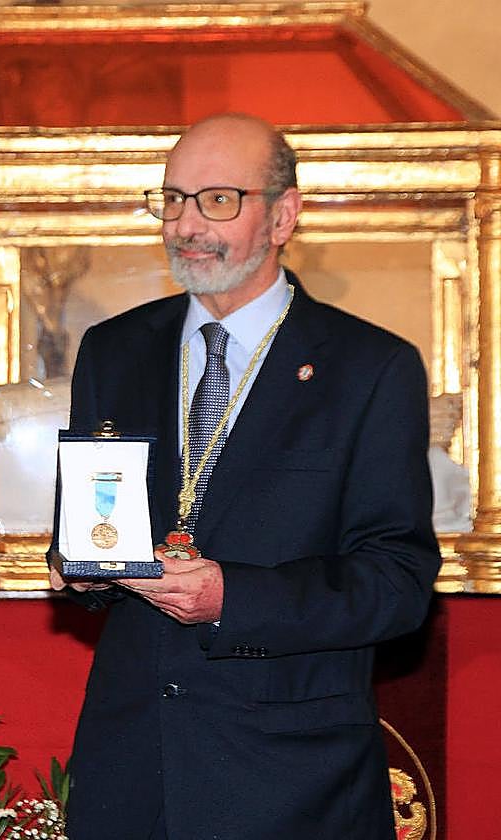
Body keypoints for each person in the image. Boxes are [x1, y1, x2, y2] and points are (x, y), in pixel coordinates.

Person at [50, 114, 439, 839]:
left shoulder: (370, 368)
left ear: (284, 214)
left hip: (291, 779)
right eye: (172, 199)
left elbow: (397, 584)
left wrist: (234, 597)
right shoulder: (114, 350)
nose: (186, 225)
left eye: (218, 200)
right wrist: (80, 568)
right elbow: (89, 513)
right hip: (132, 769)